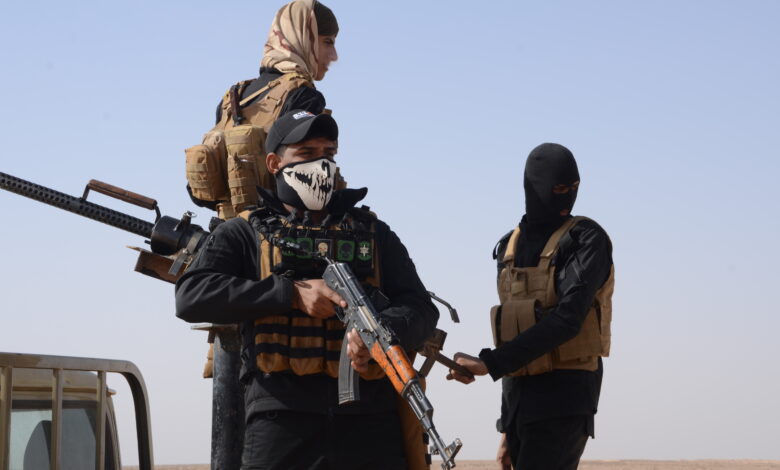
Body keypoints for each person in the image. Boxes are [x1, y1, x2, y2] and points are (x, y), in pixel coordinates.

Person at [176, 110, 439, 470]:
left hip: (370, 421)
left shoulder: (373, 234)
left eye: (329, 153)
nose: (321, 164)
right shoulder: (245, 232)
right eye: (306, 153)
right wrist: (291, 294)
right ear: (274, 162)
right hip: (280, 420)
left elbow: (421, 307)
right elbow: (192, 296)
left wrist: (383, 331)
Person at [448, 143, 615, 470]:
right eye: (558, 189)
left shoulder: (586, 240)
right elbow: (515, 332)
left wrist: (490, 363)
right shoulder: (510, 246)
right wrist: (506, 427)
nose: (568, 197)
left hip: (565, 400)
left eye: (574, 188)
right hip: (520, 404)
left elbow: (567, 320)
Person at [186, 0, 342, 220]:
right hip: (277, 230)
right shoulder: (303, 95)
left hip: (227, 227)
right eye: (327, 42)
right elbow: (308, 185)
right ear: (304, 37)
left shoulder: (234, 96)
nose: (334, 55)